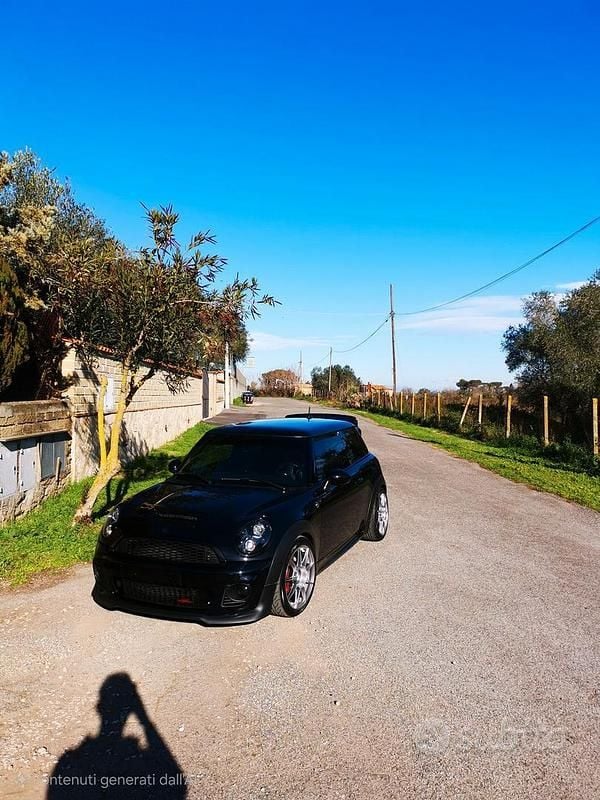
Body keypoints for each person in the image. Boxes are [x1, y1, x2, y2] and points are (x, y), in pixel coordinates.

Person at [47, 673, 187, 799]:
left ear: (99, 707)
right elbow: (177, 783)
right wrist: (144, 720)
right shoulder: (69, 762)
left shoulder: (68, 762)